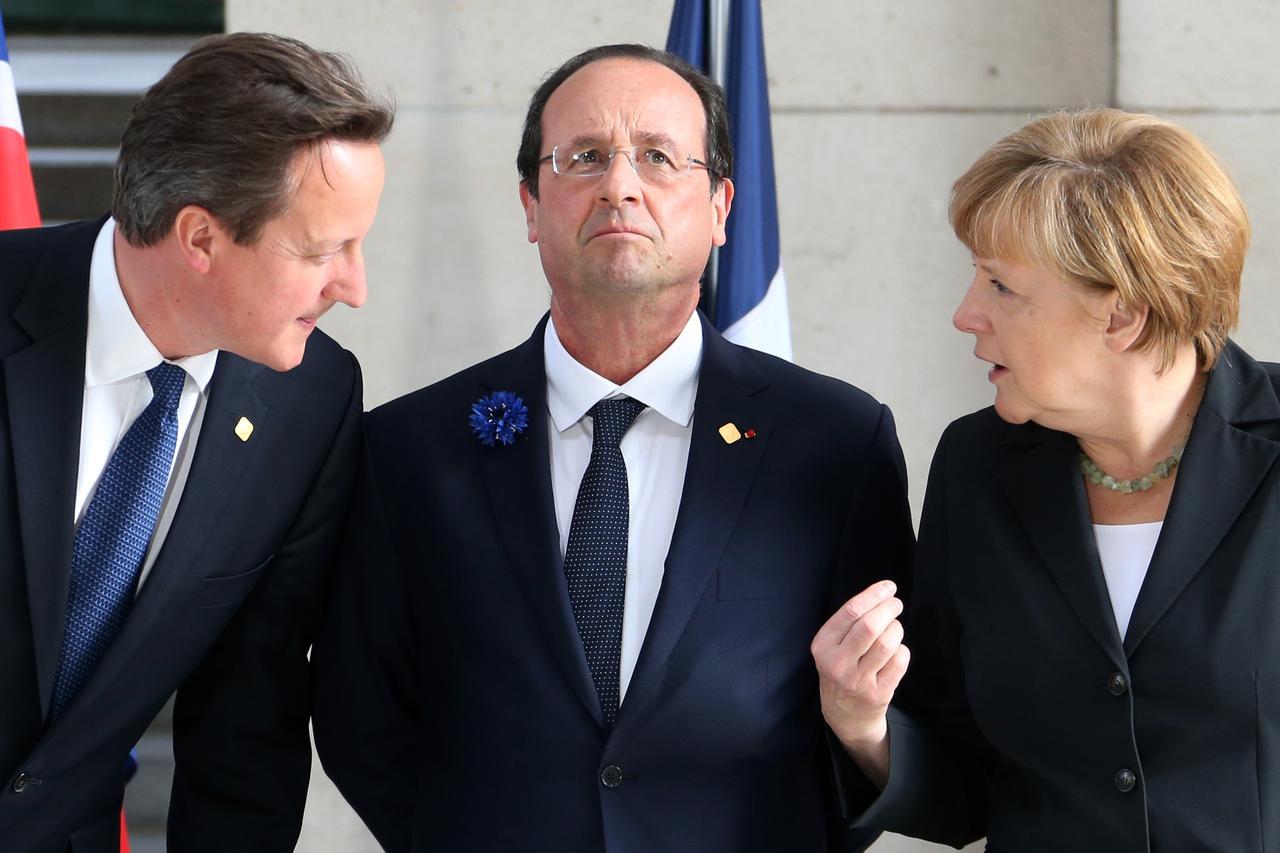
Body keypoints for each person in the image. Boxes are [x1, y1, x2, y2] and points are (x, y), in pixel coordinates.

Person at [313, 43, 914, 853]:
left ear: (722, 206)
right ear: (531, 204)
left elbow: (887, 718)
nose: (620, 185)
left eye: (659, 158)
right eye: (584, 157)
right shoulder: (408, 448)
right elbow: (359, 711)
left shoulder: (836, 444)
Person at [813, 107, 1279, 851]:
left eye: (1002, 287)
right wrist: (863, 721)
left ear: (1122, 313)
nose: (966, 314)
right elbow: (964, 783)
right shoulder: (975, 465)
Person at [0, 32, 392, 852]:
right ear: (202, 239)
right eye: (323, 251)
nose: (355, 287)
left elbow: (248, 723)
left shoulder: (312, 400)